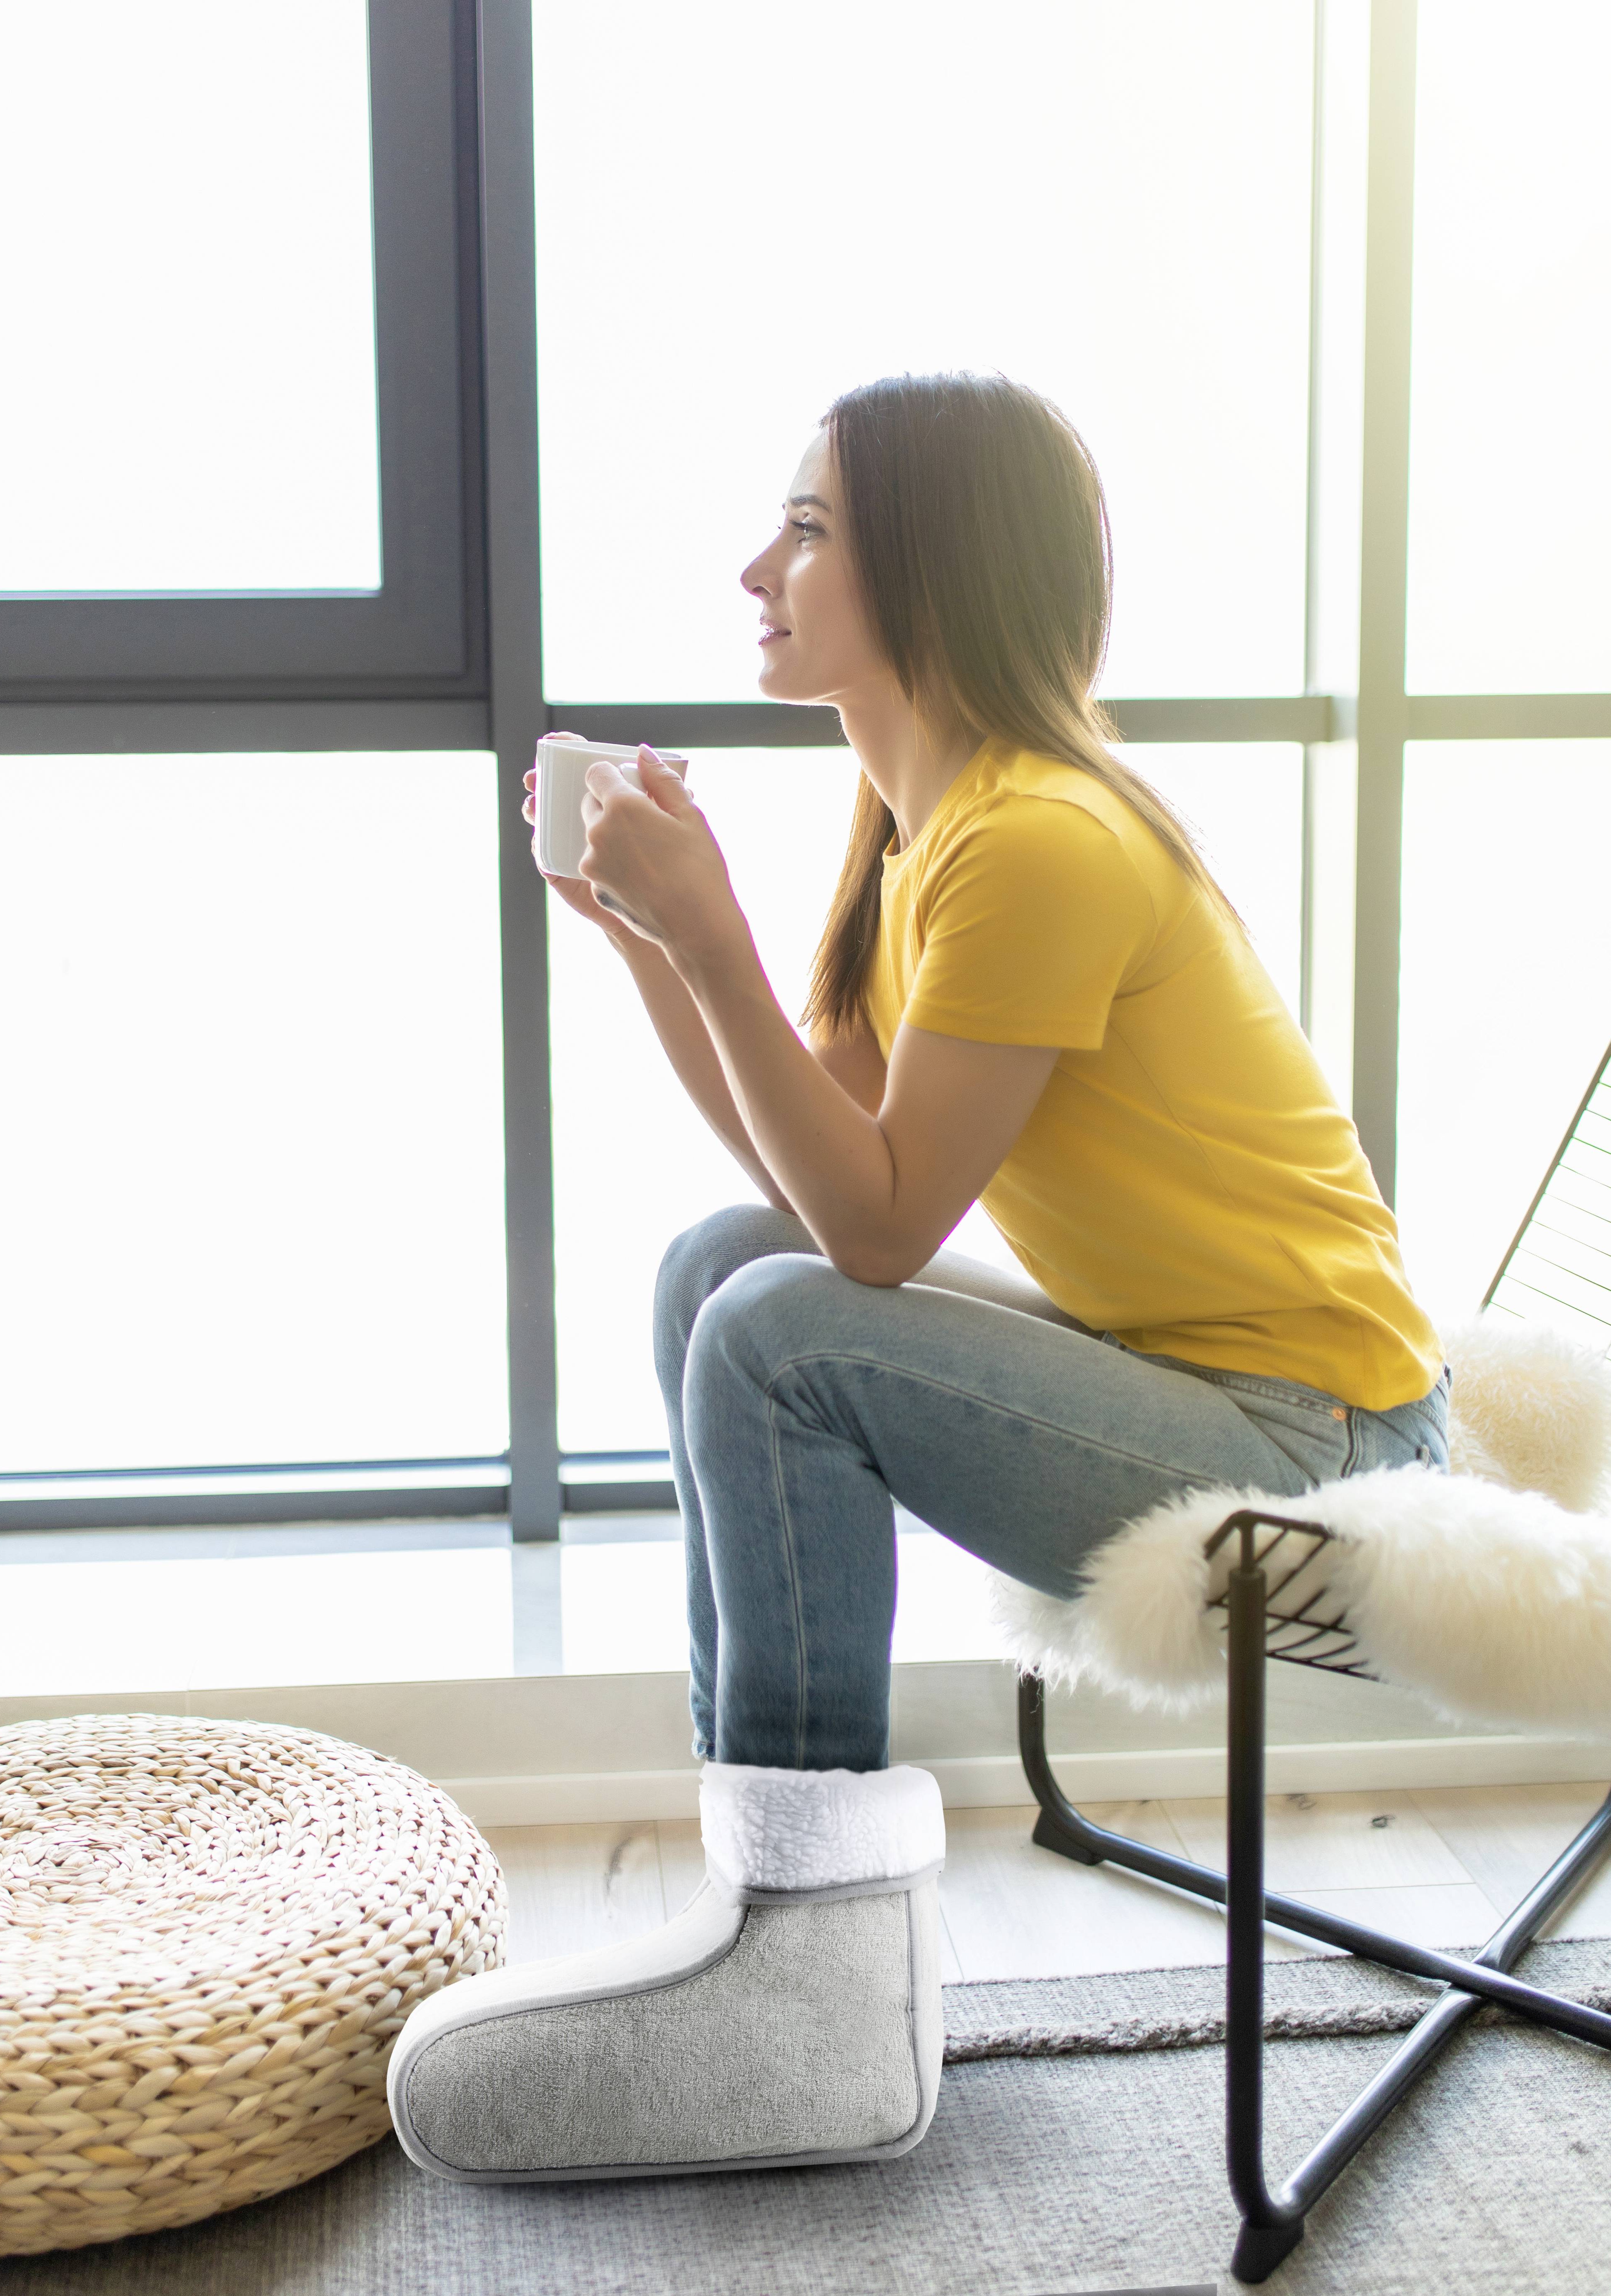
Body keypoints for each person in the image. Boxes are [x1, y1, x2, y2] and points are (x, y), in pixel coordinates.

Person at [387, 371, 1446, 2189]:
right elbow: (816, 1182)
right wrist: (664, 945)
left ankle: (806, 1979)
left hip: (1325, 1450)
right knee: (724, 1270)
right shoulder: (930, 828)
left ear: (935, 578)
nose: (758, 568)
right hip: (1204, 1381)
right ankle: (781, 1910)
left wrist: (708, 927)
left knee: (781, 1325)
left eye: (807, 531)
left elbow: (871, 1243)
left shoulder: (1039, 838)